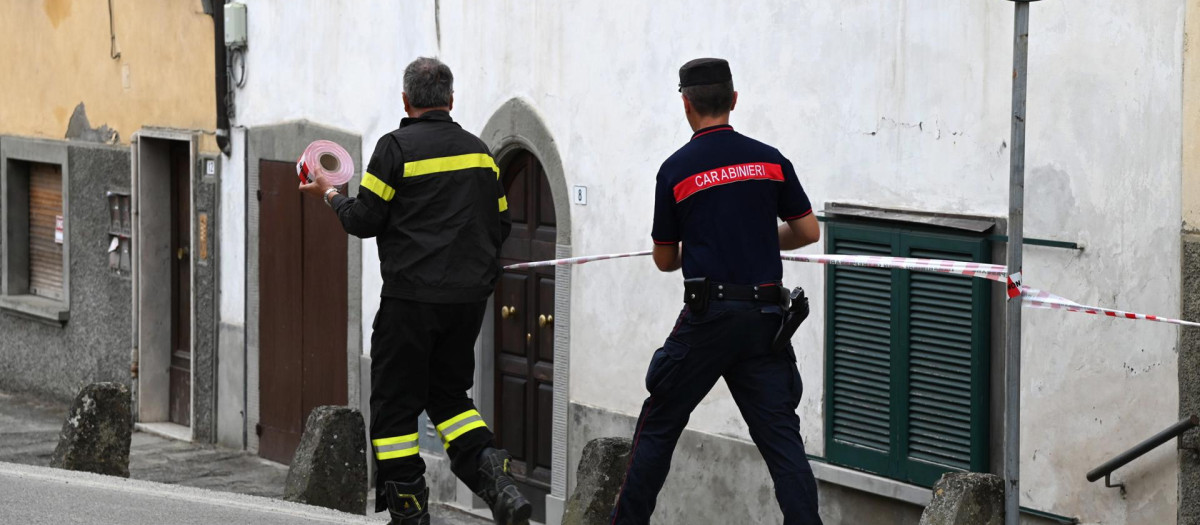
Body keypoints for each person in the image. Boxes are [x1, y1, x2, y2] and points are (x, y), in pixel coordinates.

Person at [299, 57, 532, 525]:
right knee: (450, 398)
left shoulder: (394, 149)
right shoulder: (481, 154)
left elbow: (364, 220)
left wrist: (328, 192)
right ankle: (497, 481)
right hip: (466, 303)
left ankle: (409, 513)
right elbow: (502, 222)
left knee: (394, 407)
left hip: (410, 302)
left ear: (406, 101)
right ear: (451, 100)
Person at [609, 58, 824, 525]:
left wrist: (704, 243)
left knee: (659, 425)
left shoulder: (676, 170)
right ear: (734, 99)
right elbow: (808, 231)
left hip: (708, 318)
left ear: (686, 104)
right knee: (782, 441)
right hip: (766, 320)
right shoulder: (770, 160)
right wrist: (762, 238)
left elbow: (665, 260)